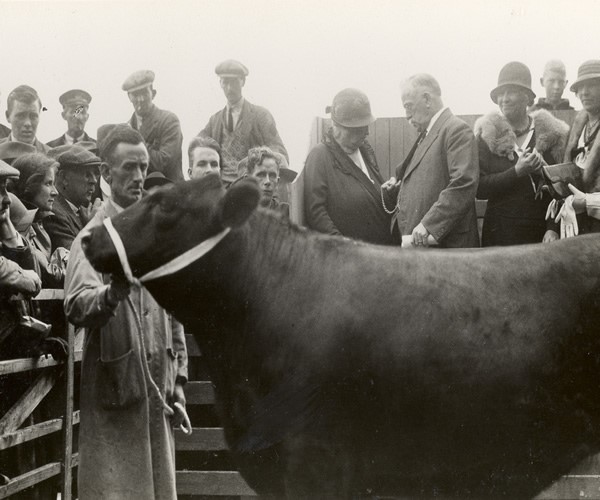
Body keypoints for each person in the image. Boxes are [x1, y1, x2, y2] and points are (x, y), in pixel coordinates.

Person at [64, 124, 188, 499]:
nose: (138, 177)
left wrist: (179, 384)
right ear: (105, 172)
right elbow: (75, 304)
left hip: (157, 399)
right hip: (114, 401)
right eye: (128, 168)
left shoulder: (157, 238)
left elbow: (175, 313)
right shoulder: (90, 239)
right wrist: (110, 294)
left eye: (143, 167)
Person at [475, 61, 569, 246]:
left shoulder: (551, 135)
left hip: (540, 235)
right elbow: (480, 188)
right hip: (499, 234)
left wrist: (553, 228)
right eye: (500, 94)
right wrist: (516, 171)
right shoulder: (487, 135)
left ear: (527, 97)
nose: (504, 99)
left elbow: (563, 189)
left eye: (511, 92)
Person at [382, 74, 480, 248]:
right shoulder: (428, 134)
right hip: (426, 247)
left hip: (446, 248)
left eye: (409, 106)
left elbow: (463, 183)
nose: (406, 115)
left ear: (427, 99)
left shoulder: (456, 129)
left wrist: (429, 224)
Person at [304, 88, 395, 245]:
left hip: (379, 251)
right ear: (335, 126)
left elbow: (368, 191)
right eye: (354, 129)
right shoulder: (320, 155)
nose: (364, 133)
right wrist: (342, 245)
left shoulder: (365, 151)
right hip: (350, 257)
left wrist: (386, 193)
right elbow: (316, 212)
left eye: (365, 127)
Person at [199, 59, 288, 185]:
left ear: (243, 81)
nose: (229, 88)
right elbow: (197, 146)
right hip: (221, 187)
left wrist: (263, 160)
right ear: (220, 84)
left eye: (234, 82)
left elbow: (278, 150)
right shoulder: (215, 121)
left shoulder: (260, 116)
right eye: (225, 82)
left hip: (251, 185)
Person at [556, 60, 600, 235]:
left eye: (592, 85)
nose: (584, 93)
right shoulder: (576, 130)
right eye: (580, 88)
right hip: (575, 227)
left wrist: (587, 202)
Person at [11, 153, 67, 287]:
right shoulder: (20, 225)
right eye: (48, 184)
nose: (55, 192)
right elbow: (50, 277)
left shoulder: (40, 222)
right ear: (29, 184)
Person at [122, 70, 184, 182]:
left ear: (153, 93)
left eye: (144, 93)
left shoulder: (169, 121)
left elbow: (163, 163)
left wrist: (134, 140)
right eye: (135, 94)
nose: (140, 99)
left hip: (170, 192)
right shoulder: (127, 127)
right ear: (129, 97)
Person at [44, 145, 101, 250]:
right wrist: (93, 227)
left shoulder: (77, 209)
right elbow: (77, 260)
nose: (94, 181)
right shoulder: (55, 214)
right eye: (87, 174)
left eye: (96, 174)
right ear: (64, 177)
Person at [0, 85, 50, 154]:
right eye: (21, 116)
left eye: (33, 116)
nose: (28, 123)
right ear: (8, 116)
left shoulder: (52, 156)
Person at [243, 146, 289, 217]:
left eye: (272, 175)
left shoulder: (287, 213)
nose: (267, 181)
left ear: (278, 181)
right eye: (261, 175)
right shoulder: (237, 214)